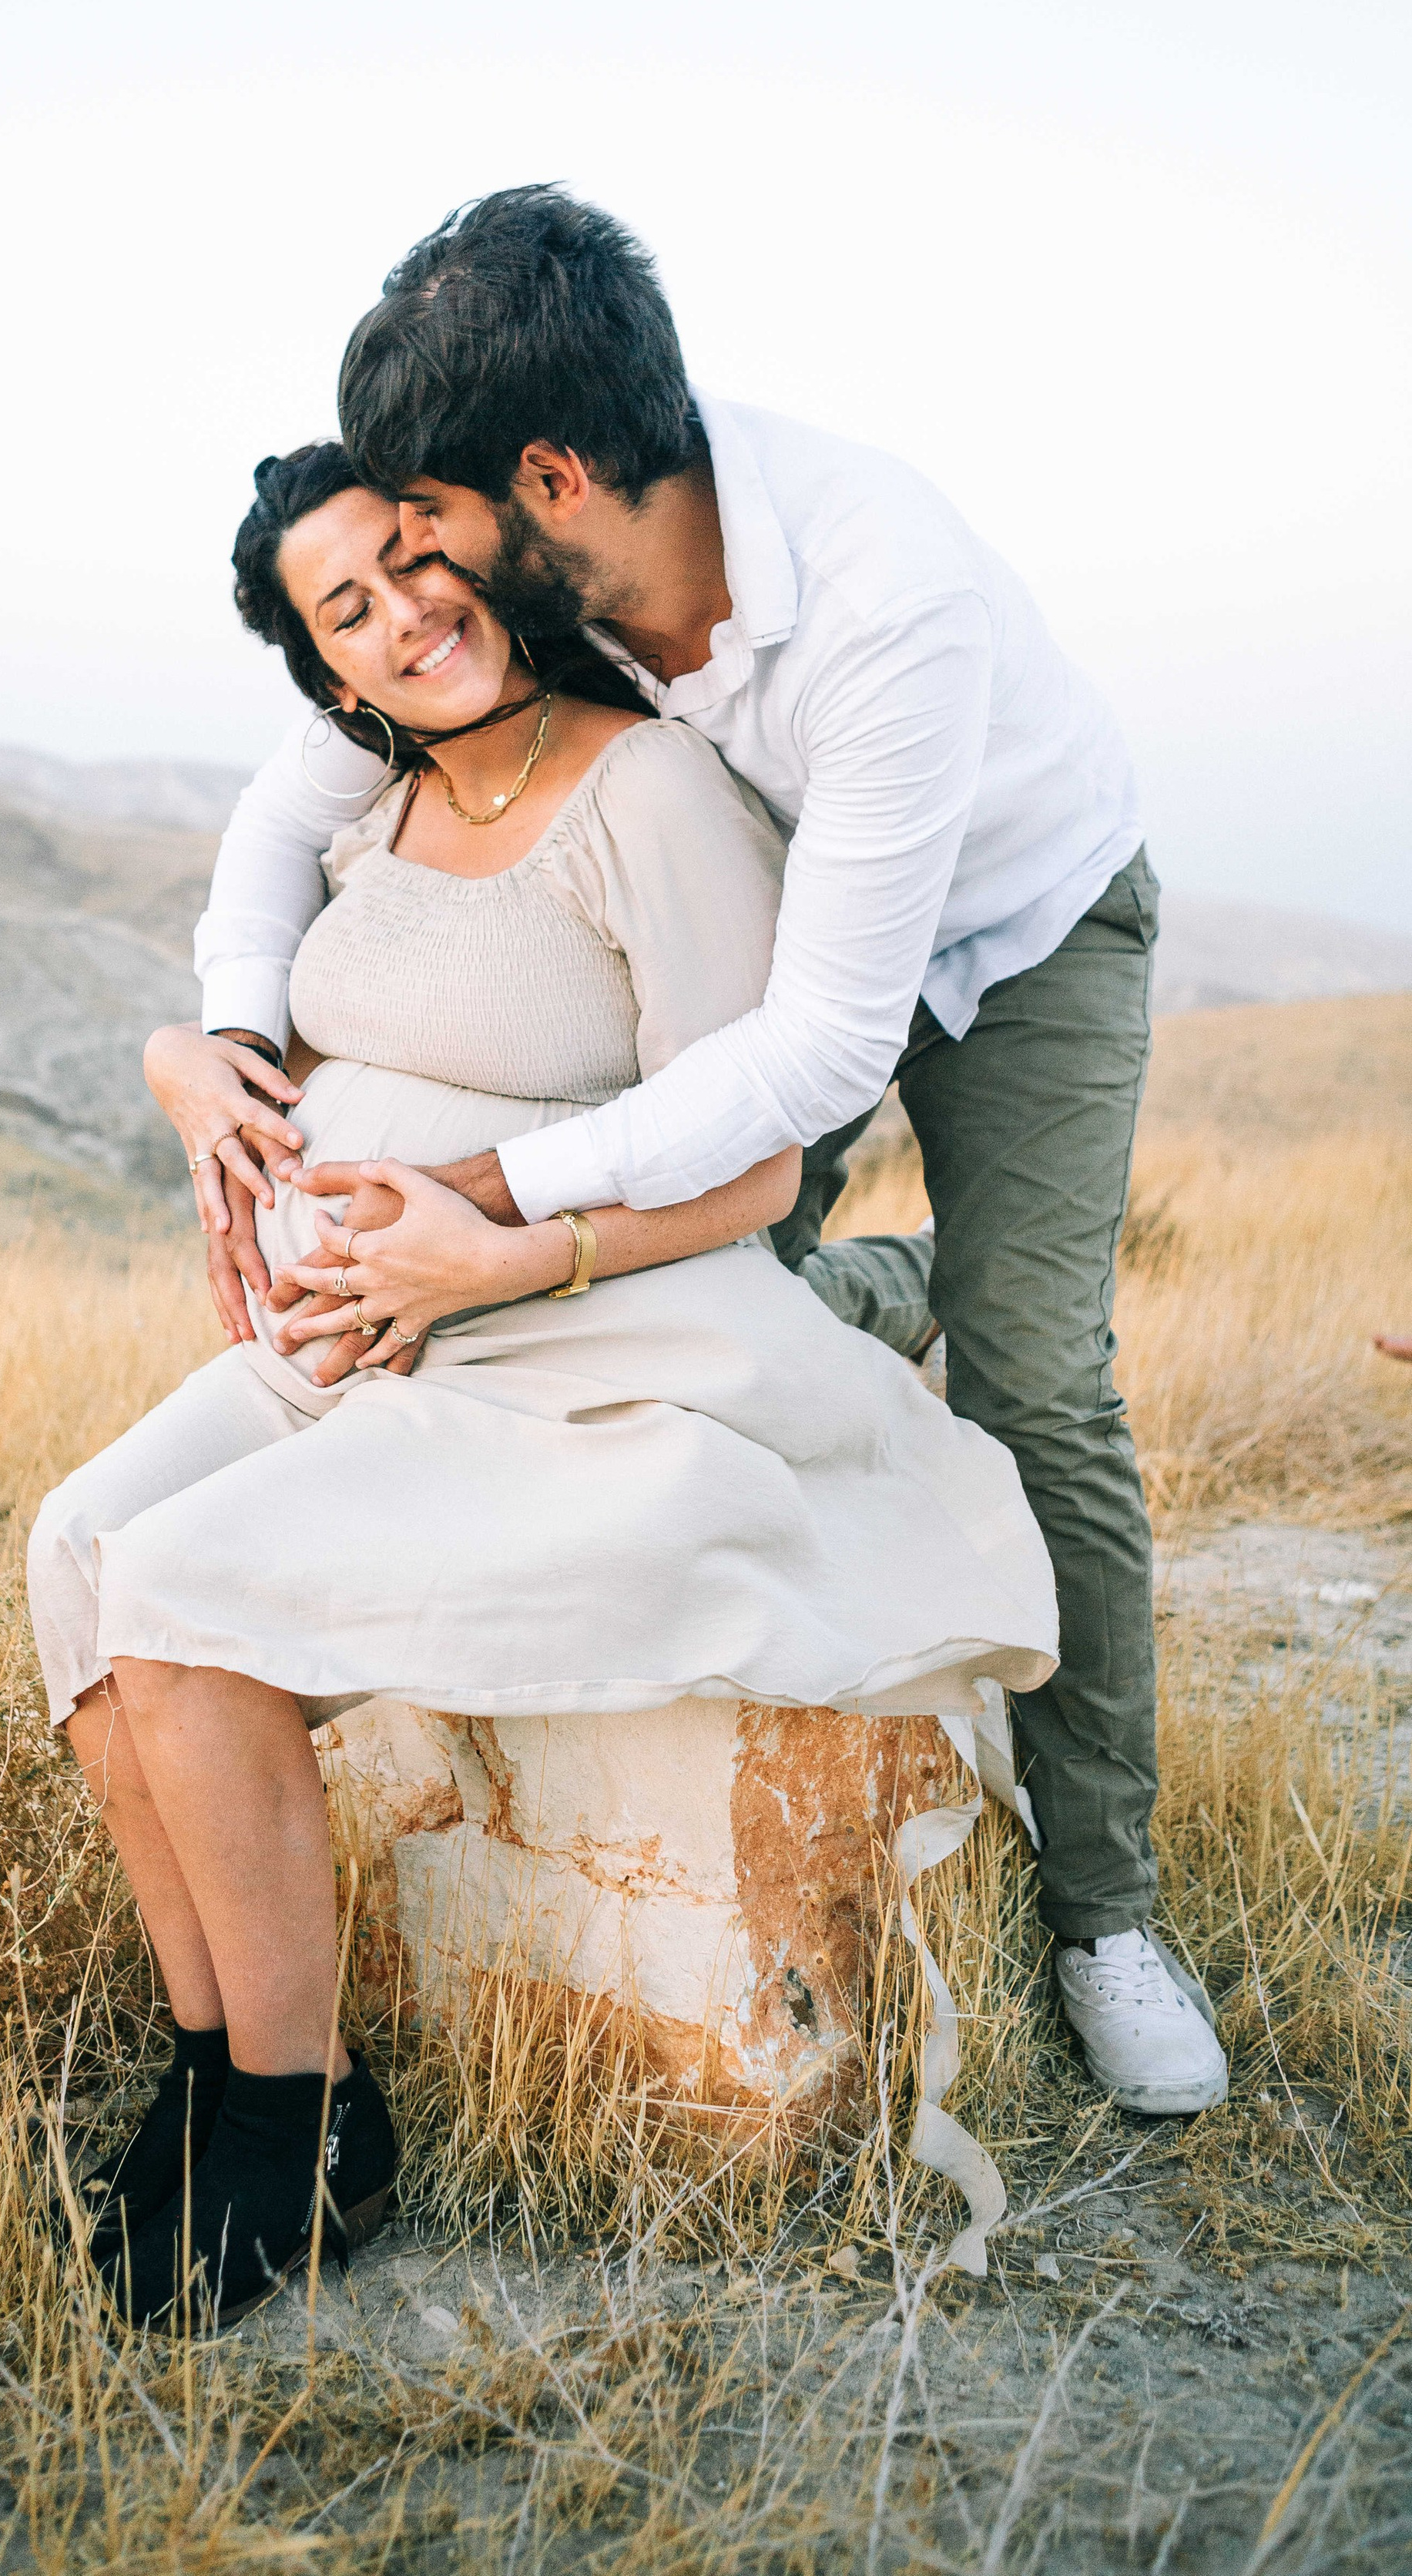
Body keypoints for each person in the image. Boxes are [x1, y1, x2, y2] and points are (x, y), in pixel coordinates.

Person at [167, 188, 1229, 2122]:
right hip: (787, 924)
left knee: (1035, 1375)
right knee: (707, 1280)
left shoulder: (877, 603)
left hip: (1013, 929)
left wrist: (490, 1204)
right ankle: (862, 1332)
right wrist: (227, 1039)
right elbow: (280, 810)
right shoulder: (555, 563)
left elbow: (820, 1047)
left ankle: (1102, 1913)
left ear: (546, 477)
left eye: (428, 522)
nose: (415, 571)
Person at [29, 444, 1059, 2329]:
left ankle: (296, 2115)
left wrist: (498, 1251)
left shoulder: (647, 786)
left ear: (488, 550)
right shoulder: (372, 811)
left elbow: (751, 1166)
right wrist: (192, 1056)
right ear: (327, 675)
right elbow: (265, 1000)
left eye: (418, 562)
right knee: (78, 1548)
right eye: (350, 606)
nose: (410, 611)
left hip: (566, 1334)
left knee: (178, 1615)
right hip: (348, 1340)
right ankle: (215, 2064)